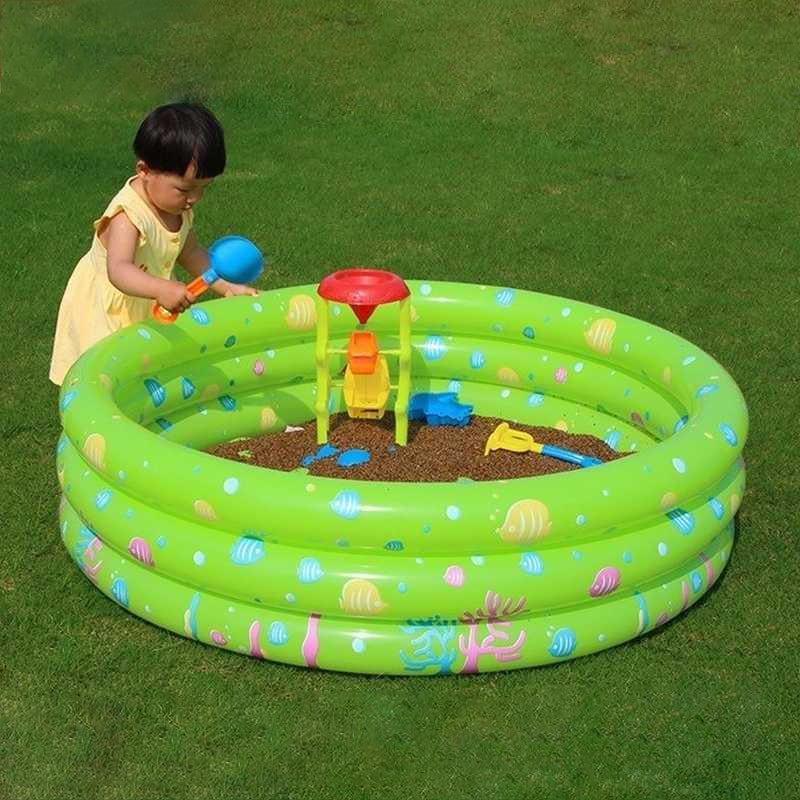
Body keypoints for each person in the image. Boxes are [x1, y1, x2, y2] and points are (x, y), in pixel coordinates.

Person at [49, 102, 259, 386]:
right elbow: (119, 269)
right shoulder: (128, 216)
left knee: (149, 374)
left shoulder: (178, 208)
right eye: (185, 189)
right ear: (144, 171)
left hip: (149, 299)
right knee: (105, 378)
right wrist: (161, 288)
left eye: (203, 188)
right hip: (111, 308)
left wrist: (229, 287)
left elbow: (190, 253)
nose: (194, 199)